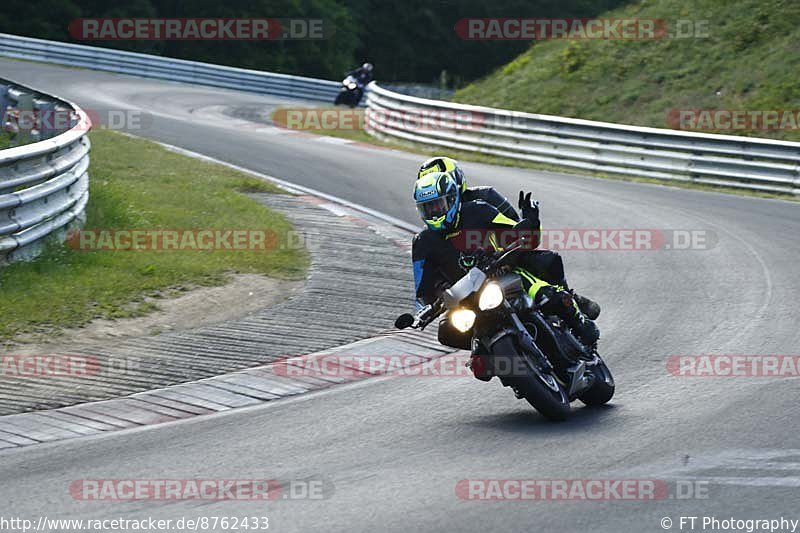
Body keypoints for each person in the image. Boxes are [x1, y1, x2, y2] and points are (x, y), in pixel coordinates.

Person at [410, 169, 600, 348]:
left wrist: (530, 224)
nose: (434, 212)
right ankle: (485, 352)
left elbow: (518, 235)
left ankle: (580, 322)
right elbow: (422, 290)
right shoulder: (422, 242)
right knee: (447, 333)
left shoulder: (478, 210)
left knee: (547, 296)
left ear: (451, 199)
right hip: (467, 300)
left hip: (501, 274)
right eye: (427, 208)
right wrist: (426, 311)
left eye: (437, 205)